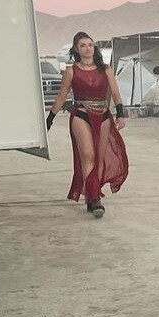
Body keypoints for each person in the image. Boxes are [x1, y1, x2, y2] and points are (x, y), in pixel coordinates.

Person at [47, 32, 130, 217]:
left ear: (94, 47)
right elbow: (61, 97)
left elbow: (116, 94)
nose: (87, 48)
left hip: (103, 116)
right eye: (83, 45)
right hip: (81, 116)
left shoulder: (106, 69)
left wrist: (120, 115)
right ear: (76, 49)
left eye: (90, 45)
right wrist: (49, 120)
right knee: (88, 155)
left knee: (98, 156)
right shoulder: (71, 71)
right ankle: (94, 199)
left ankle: (92, 191)